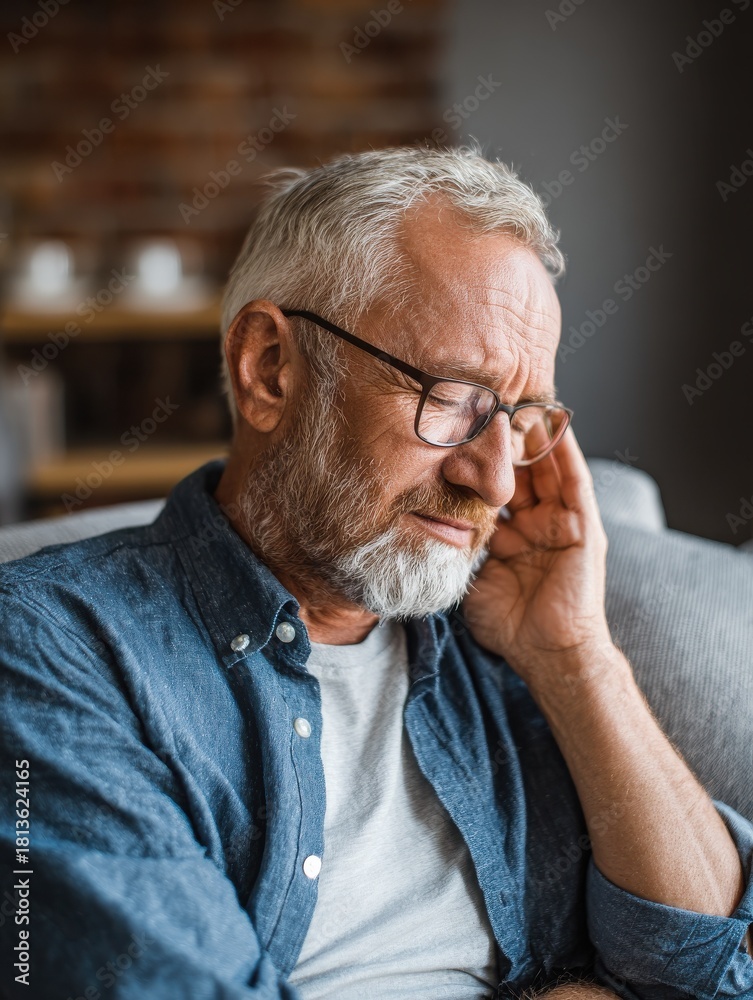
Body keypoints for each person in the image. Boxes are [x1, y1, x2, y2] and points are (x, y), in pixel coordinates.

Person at [1, 146, 752, 1000]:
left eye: (520, 415)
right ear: (271, 370)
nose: (497, 479)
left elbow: (709, 972)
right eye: (451, 396)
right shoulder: (50, 648)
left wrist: (576, 657)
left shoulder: (499, 645)